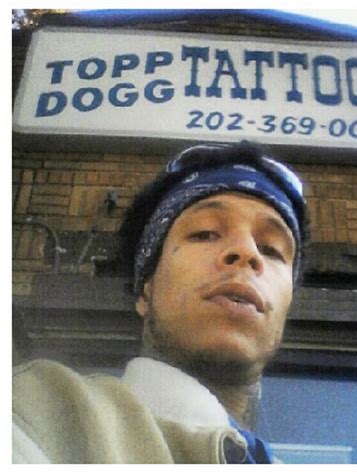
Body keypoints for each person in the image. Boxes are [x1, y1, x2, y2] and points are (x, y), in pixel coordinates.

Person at [12, 141, 309, 463]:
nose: (248, 252)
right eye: (205, 233)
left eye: (272, 250)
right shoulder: (36, 414)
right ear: (145, 290)